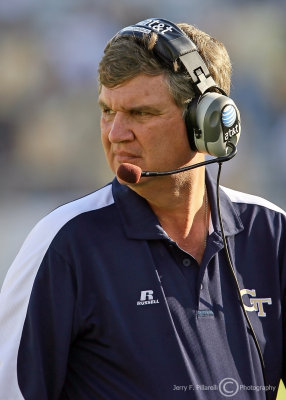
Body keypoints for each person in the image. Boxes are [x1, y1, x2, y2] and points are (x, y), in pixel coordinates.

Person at [0, 17, 285, 400]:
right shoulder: (63, 243)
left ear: (209, 122)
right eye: (107, 111)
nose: (115, 134)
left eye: (141, 114)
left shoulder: (273, 233)